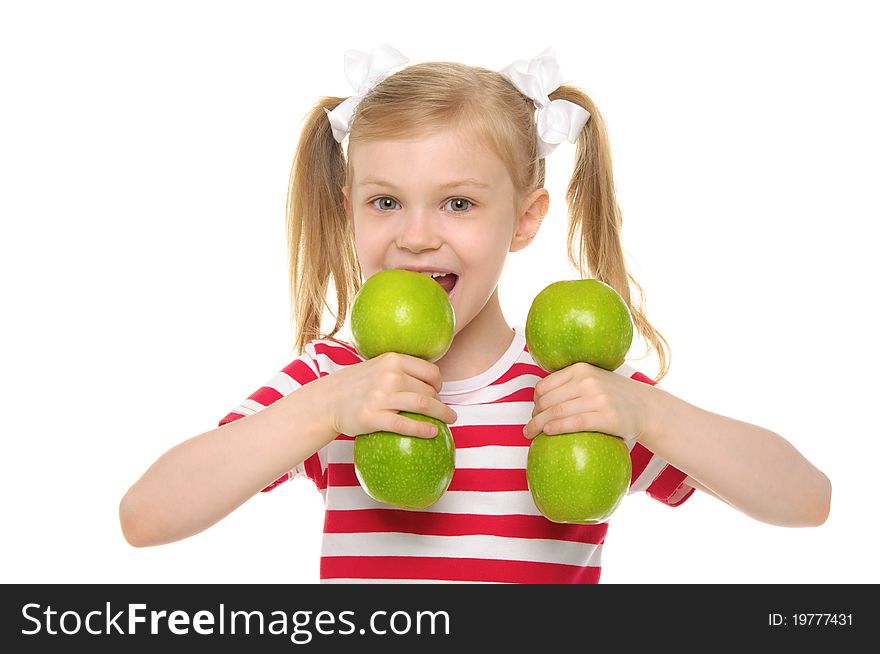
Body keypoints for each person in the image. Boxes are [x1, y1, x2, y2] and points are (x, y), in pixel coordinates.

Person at [119, 45, 831, 583]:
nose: (417, 233)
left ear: (524, 220)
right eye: (385, 201)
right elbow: (147, 517)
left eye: (458, 203)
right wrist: (320, 411)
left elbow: (806, 501)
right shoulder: (337, 382)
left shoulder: (574, 390)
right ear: (349, 211)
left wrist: (649, 416)